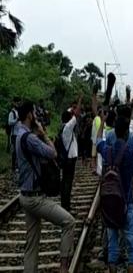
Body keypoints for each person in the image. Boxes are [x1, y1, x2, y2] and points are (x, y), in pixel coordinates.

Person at [16, 101, 75, 273]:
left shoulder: (19, 134)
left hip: (25, 196)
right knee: (69, 222)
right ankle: (63, 268)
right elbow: (53, 153)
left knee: (31, 245)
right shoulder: (31, 139)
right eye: (34, 112)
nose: (36, 115)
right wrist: (44, 134)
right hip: (35, 198)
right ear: (29, 115)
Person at [96, 95, 133, 273]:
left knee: (113, 246)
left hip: (111, 204)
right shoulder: (130, 151)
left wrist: (103, 122)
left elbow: (98, 142)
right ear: (127, 133)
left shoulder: (108, 151)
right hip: (127, 203)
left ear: (114, 132)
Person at [60, 96, 82, 212]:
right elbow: (77, 114)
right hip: (69, 160)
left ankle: (65, 204)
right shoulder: (67, 128)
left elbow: (73, 114)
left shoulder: (64, 128)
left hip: (67, 159)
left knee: (66, 181)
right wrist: (80, 99)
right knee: (67, 182)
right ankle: (66, 206)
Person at [8, 97, 20, 171]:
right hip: (14, 134)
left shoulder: (18, 112)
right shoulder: (11, 113)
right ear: (14, 103)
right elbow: (9, 122)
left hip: (18, 134)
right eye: (17, 103)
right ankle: (13, 167)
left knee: (18, 151)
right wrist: (16, 120)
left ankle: (17, 165)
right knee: (14, 151)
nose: (18, 104)